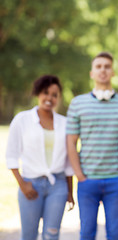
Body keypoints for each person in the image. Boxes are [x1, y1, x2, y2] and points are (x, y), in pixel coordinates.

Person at [66, 52, 118, 240]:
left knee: (114, 233)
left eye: (107, 66)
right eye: (98, 66)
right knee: (86, 233)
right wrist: (79, 175)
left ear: (112, 72)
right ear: (92, 73)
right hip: (88, 180)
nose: (103, 70)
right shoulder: (77, 103)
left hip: (116, 180)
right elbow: (71, 142)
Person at [6, 75, 74, 240]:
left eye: (54, 94)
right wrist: (22, 184)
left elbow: (68, 162)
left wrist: (70, 192)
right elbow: (11, 155)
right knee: (28, 235)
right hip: (31, 184)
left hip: (57, 186)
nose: (49, 98)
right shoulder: (22, 120)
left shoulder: (65, 123)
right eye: (45, 93)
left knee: (52, 235)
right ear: (38, 93)